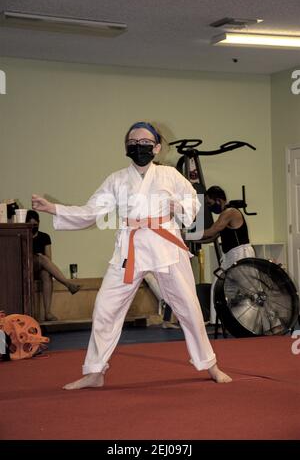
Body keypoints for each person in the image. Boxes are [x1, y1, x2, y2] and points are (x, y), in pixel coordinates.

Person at [32, 121, 232, 388]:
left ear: (157, 148)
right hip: (130, 248)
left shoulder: (170, 176)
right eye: (133, 143)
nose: (139, 147)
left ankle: (210, 365)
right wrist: (53, 209)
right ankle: (95, 372)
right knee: (105, 307)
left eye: (145, 143)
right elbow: (91, 212)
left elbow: (194, 204)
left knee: (189, 308)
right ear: (126, 147)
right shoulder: (116, 180)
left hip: (166, 246)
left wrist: (179, 205)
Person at [202, 186, 255, 324]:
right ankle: (219, 322)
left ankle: (259, 322)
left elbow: (212, 230)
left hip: (240, 253)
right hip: (230, 255)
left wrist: (185, 234)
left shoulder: (230, 212)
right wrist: (189, 239)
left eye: (209, 203)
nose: (209, 207)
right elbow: (211, 236)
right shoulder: (224, 215)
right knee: (218, 286)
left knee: (247, 290)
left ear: (218, 200)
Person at [26, 210, 81, 321]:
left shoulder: (45, 237)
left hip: (41, 268)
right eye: (31, 224)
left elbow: (49, 259)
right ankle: (67, 284)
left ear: (39, 223)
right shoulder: (24, 236)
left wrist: (40, 258)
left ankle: (47, 313)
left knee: (46, 274)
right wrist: (37, 256)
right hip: (27, 268)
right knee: (41, 258)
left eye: (35, 225)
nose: (33, 227)